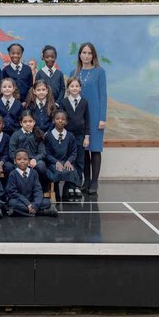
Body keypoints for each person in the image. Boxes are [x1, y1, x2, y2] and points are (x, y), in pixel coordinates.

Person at [71, 42, 107, 196]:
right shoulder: (75, 72)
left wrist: (102, 118)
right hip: (80, 117)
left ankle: (94, 182)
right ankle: (85, 180)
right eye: (83, 52)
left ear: (93, 55)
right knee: (83, 150)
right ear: (79, 55)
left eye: (89, 53)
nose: (86, 55)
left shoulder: (99, 72)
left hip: (95, 116)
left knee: (95, 149)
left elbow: (103, 96)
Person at [59, 77, 89, 197]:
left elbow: (87, 120)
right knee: (69, 161)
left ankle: (77, 185)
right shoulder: (64, 102)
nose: (74, 88)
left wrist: (87, 137)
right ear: (68, 88)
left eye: (77, 86)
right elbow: (60, 120)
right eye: (72, 86)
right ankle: (69, 185)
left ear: (80, 88)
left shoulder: (84, 102)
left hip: (80, 136)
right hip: (68, 136)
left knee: (80, 161)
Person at [6, 149, 57, 217]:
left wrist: (35, 205)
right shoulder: (13, 174)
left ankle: (20, 212)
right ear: (15, 161)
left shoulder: (34, 173)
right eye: (19, 159)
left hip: (32, 200)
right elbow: (13, 193)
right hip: (20, 201)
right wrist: (28, 204)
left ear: (29, 161)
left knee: (47, 202)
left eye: (25, 159)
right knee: (12, 203)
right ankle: (43, 212)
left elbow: (38, 190)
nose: (22, 161)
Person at [44, 109, 81, 201]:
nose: (60, 121)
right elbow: (47, 153)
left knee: (71, 171)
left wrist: (69, 161)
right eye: (57, 118)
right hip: (53, 163)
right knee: (57, 172)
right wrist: (56, 162)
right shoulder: (48, 136)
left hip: (66, 162)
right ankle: (55, 193)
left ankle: (66, 193)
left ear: (66, 122)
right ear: (53, 121)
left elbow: (73, 152)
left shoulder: (70, 136)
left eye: (63, 119)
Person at [8, 112, 48, 183]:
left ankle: (42, 188)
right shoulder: (16, 135)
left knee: (41, 166)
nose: (28, 124)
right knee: (10, 167)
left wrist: (35, 159)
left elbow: (42, 152)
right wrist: (20, 160)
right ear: (21, 123)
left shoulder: (38, 134)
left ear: (34, 122)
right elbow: (12, 152)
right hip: (20, 161)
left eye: (30, 121)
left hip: (34, 160)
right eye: (25, 122)